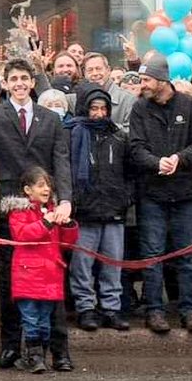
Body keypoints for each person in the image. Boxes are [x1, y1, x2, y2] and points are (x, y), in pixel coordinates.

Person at [0, 57, 74, 370]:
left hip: (46, 210)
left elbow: (61, 161)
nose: (19, 84)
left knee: (51, 280)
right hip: (11, 207)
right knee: (11, 284)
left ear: (32, 82)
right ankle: (11, 349)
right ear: (5, 83)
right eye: (13, 79)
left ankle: (60, 351)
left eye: (24, 78)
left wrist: (65, 200)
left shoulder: (50, 119)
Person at [128, 54, 192, 335]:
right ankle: (155, 310)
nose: (143, 85)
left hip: (185, 193)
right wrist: (155, 162)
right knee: (152, 255)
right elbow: (135, 147)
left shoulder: (189, 106)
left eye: (147, 79)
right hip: (152, 193)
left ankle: (188, 309)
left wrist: (180, 158)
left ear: (162, 80)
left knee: (186, 254)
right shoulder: (139, 109)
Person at [67, 88, 131, 331]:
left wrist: (126, 197)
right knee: (82, 264)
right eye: (94, 108)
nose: (99, 114)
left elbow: (129, 173)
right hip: (84, 211)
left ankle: (111, 309)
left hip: (114, 208)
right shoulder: (73, 134)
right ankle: (85, 308)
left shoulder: (118, 137)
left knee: (113, 263)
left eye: (103, 108)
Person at [5, 166, 78, 374]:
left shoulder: (53, 211)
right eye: (41, 185)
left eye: (48, 185)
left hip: (50, 275)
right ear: (27, 190)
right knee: (30, 319)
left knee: (45, 321)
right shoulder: (19, 211)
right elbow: (23, 235)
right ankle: (34, 356)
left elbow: (67, 243)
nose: (46, 189)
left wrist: (68, 225)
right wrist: (46, 222)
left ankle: (39, 356)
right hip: (28, 275)